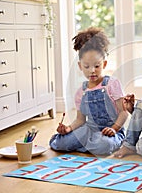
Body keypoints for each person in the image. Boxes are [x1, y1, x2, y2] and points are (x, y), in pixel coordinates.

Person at [49, 27, 128, 155]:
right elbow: (80, 120)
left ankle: (105, 142)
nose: (92, 70)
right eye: (87, 66)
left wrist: (114, 129)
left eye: (97, 66)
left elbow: (123, 113)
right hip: (89, 130)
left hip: (112, 130)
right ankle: (89, 144)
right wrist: (68, 129)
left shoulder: (112, 84)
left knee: (104, 144)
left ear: (105, 64)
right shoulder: (81, 92)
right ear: (80, 66)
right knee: (61, 144)